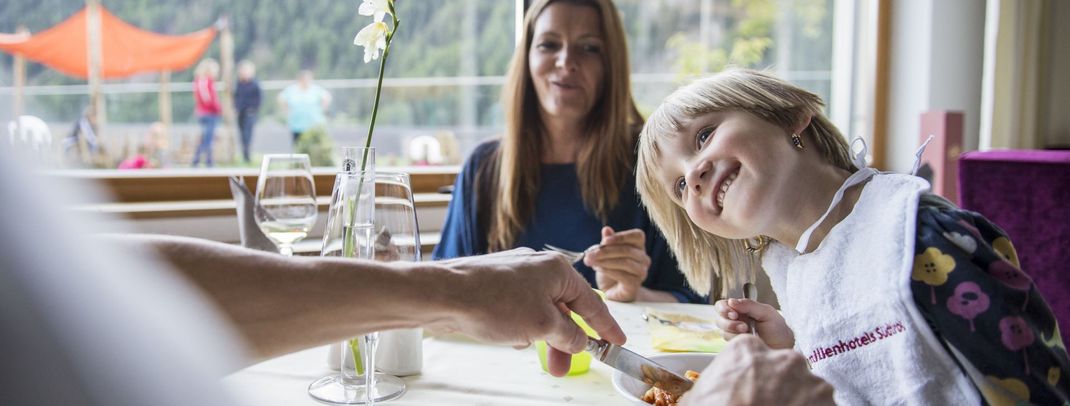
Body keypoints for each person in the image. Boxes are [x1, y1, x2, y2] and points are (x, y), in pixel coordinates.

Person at [635, 69, 1070, 404]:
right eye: (678, 186)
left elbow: (1038, 387)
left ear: (792, 114)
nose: (693, 172)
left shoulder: (916, 235)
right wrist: (795, 349)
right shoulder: (793, 265)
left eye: (705, 135)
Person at [433, 0, 702, 304]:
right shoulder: (484, 167)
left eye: (589, 48)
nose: (566, 61)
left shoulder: (651, 162)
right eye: (549, 45)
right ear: (527, 58)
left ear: (610, 64)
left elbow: (697, 303)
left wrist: (633, 294)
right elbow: (443, 292)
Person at [277, 69, 331, 144]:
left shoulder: (315, 89)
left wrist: (322, 109)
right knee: (299, 148)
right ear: (300, 79)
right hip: (297, 126)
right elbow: (281, 98)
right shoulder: (292, 90)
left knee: (314, 147)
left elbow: (326, 97)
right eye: (305, 79)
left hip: (314, 125)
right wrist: (287, 110)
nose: (307, 81)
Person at [192, 58, 222, 167]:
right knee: (208, 138)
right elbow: (208, 99)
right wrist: (217, 109)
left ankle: (198, 159)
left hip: (204, 112)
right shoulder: (205, 81)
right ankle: (208, 160)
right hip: (208, 113)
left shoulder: (199, 81)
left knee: (204, 137)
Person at [234, 60, 262, 163]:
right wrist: (236, 107)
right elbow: (236, 97)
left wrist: (253, 109)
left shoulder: (255, 84)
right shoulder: (239, 83)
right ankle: (244, 155)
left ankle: (247, 155)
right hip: (241, 112)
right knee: (242, 134)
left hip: (250, 112)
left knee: (247, 134)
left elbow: (259, 98)